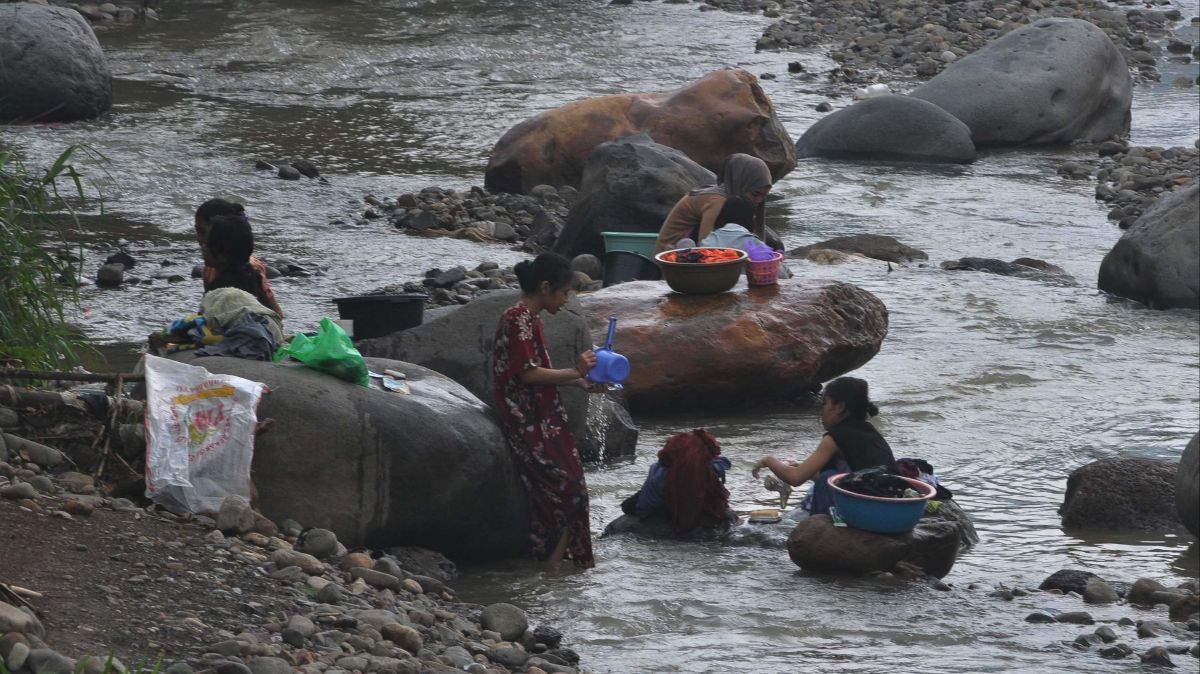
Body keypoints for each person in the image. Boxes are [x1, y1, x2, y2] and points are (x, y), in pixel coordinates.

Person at [492, 253, 598, 570]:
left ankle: (549, 559)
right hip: (525, 415)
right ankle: (554, 562)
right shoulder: (517, 318)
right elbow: (527, 374)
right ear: (545, 287)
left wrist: (581, 381)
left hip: (541, 412)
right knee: (573, 489)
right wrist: (575, 371)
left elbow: (537, 372)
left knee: (566, 487)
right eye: (564, 293)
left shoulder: (529, 317)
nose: (566, 301)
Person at [751, 377, 896, 517]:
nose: (821, 411)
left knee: (826, 478)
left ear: (839, 407)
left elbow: (795, 478)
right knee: (827, 476)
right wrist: (804, 468)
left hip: (868, 509)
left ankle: (820, 522)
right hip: (889, 506)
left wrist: (768, 460)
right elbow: (852, 475)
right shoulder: (868, 430)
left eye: (824, 404)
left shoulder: (834, 437)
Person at [655, 153, 773, 254]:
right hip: (671, 253)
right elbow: (705, 241)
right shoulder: (716, 200)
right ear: (741, 183)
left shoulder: (729, 194)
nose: (759, 201)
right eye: (755, 194)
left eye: (764, 196)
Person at [194, 199, 284, 317]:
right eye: (197, 231)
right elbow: (204, 313)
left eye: (203, 232)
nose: (199, 239)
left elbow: (275, 313)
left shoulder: (252, 270)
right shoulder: (210, 269)